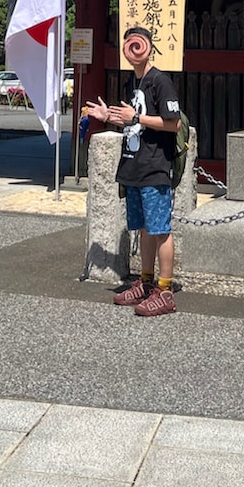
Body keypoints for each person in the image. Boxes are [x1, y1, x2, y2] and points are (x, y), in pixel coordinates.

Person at [84, 25, 182, 316]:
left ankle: (165, 291)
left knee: (160, 229)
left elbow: (172, 122)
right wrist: (109, 117)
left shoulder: (160, 81)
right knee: (143, 228)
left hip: (154, 166)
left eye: (137, 44)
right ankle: (147, 282)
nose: (132, 50)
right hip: (134, 165)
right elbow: (134, 123)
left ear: (148, 47)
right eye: (127, 45)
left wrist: (136, 116)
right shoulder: (133, 82)